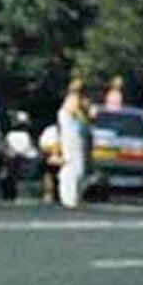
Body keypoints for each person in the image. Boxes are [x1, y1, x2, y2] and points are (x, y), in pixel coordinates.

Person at [53, 81, 91, 209]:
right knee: (74, 166)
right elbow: (80, 116)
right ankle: (69, 198)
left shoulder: (72, 100)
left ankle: (70, 197)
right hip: (71, 137)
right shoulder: (73, 99)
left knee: (74, 166)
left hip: (71, 136)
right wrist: (87, 116)